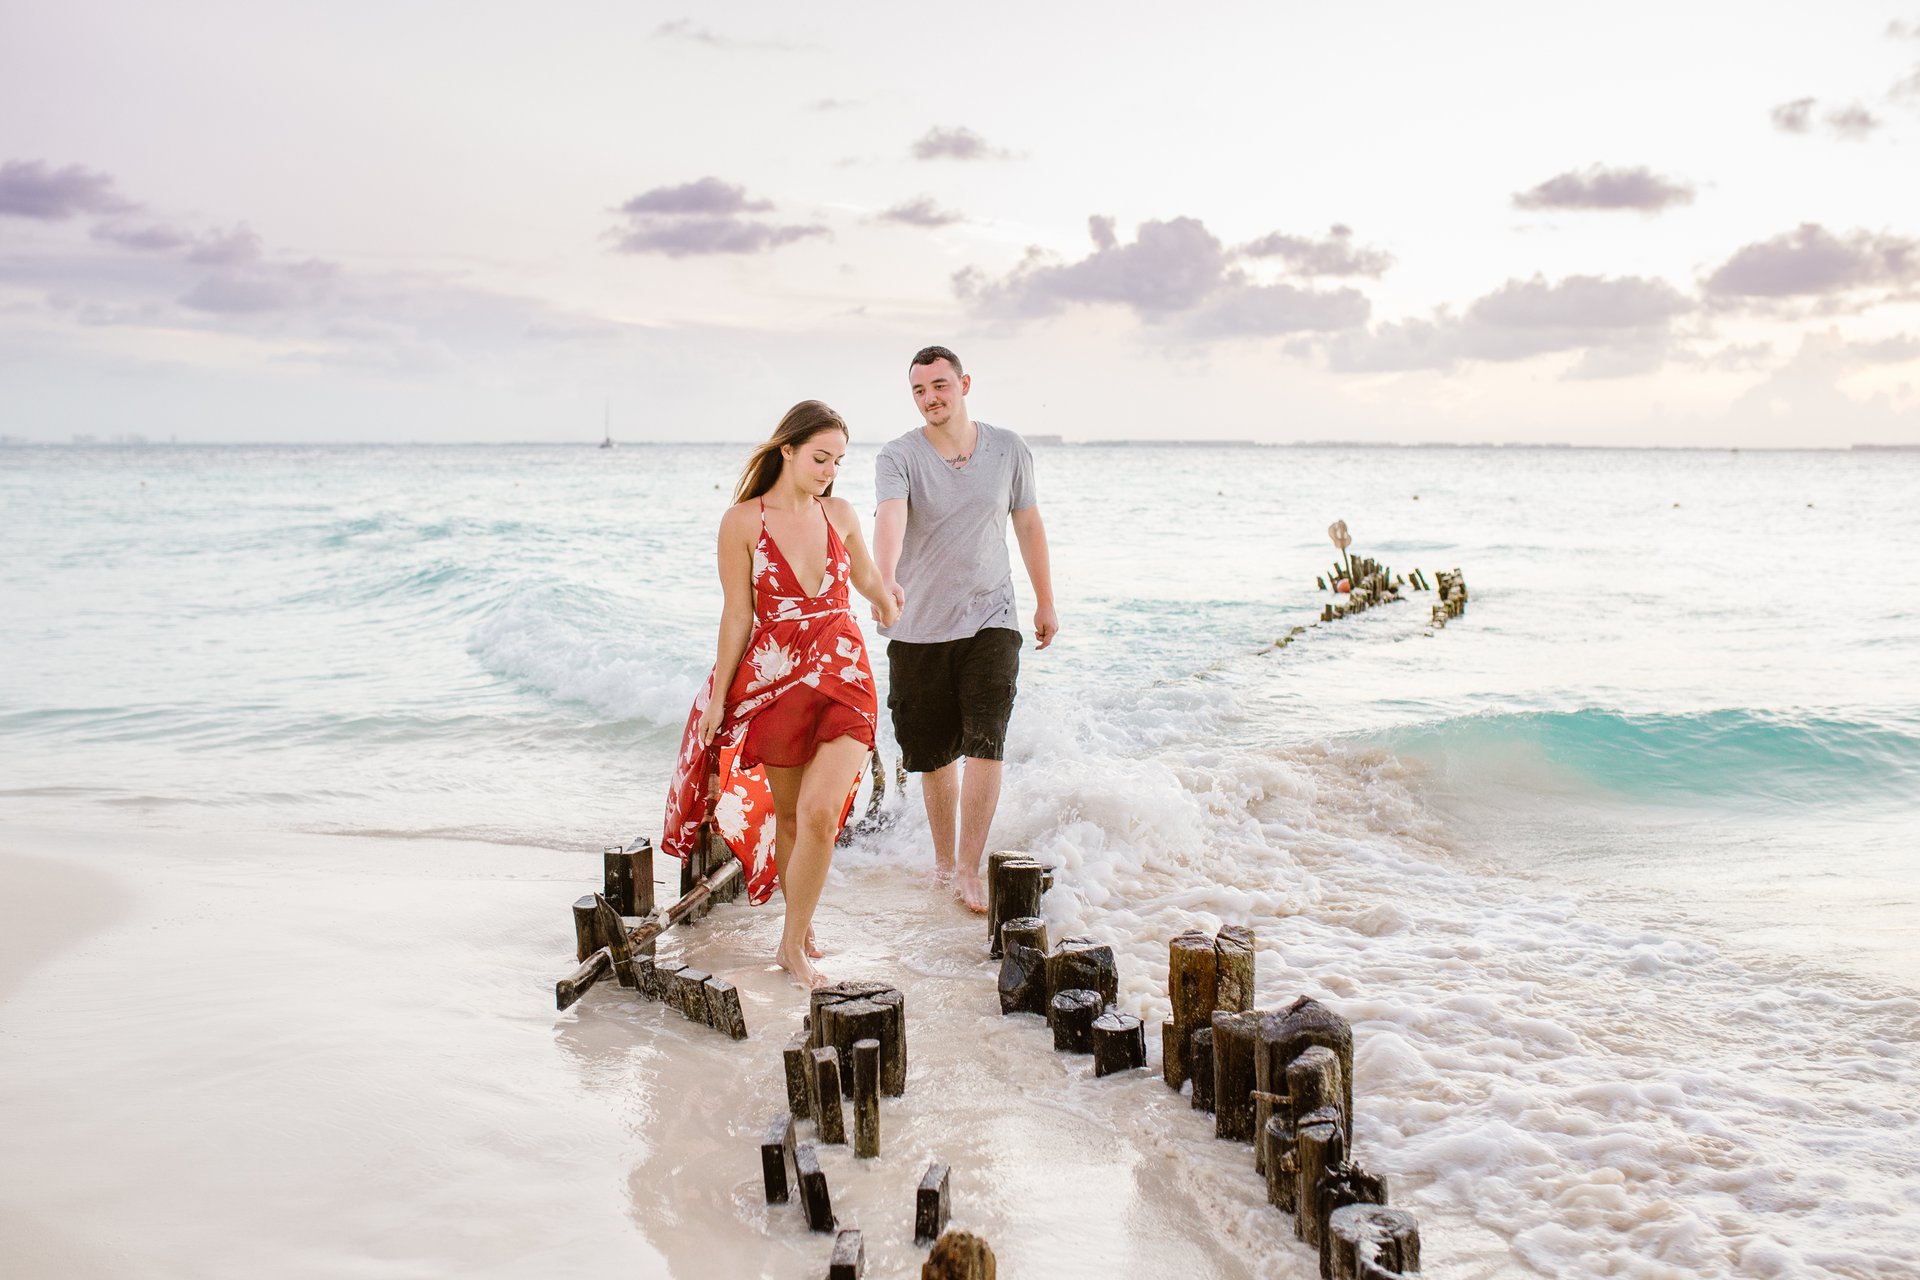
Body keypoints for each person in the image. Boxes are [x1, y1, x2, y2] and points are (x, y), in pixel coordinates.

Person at [661, 401, 901, 989]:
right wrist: (719, 695)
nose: (829, 471)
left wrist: (890, 604)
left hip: (844, 673)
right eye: (821, 458)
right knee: (791, 817)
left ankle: (791, 947)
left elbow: (867, 579)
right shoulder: (742, 522)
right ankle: (804, 925)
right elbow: (738, 616)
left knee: (821, 815)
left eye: (839, 461)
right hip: (777, 680)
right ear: (787, 449)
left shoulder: (840, 513)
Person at [872, 346, 1057, 913]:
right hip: (918, 625)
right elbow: (890, 518)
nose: (931, 398)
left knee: (986, 740)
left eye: (940, 386)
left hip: (991, 617)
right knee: (931, 755)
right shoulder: (898, 455)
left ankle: (970, 872)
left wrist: (1045, 600)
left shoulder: (1007, 449)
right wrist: (883, 580)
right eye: (920, 391)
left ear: (964, 384)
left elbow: (1027, 523)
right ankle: (944, 863)